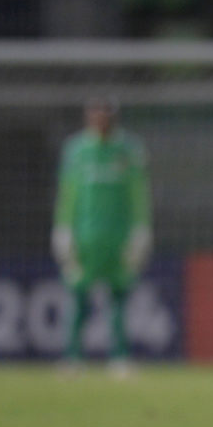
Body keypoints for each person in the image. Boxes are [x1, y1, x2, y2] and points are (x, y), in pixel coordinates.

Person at [51, 96, 152, 374]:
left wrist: (141, 229)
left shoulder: (129, 149)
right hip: (84, 236)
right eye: (96, 114)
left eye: (106, 114)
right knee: (78, 296)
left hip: (119, 236)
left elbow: (138, 193)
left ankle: (120, 357)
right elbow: (68, 194)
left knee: (119, 296)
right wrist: (62, 229)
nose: (101, 120)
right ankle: (73, 357)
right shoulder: (76, 150)